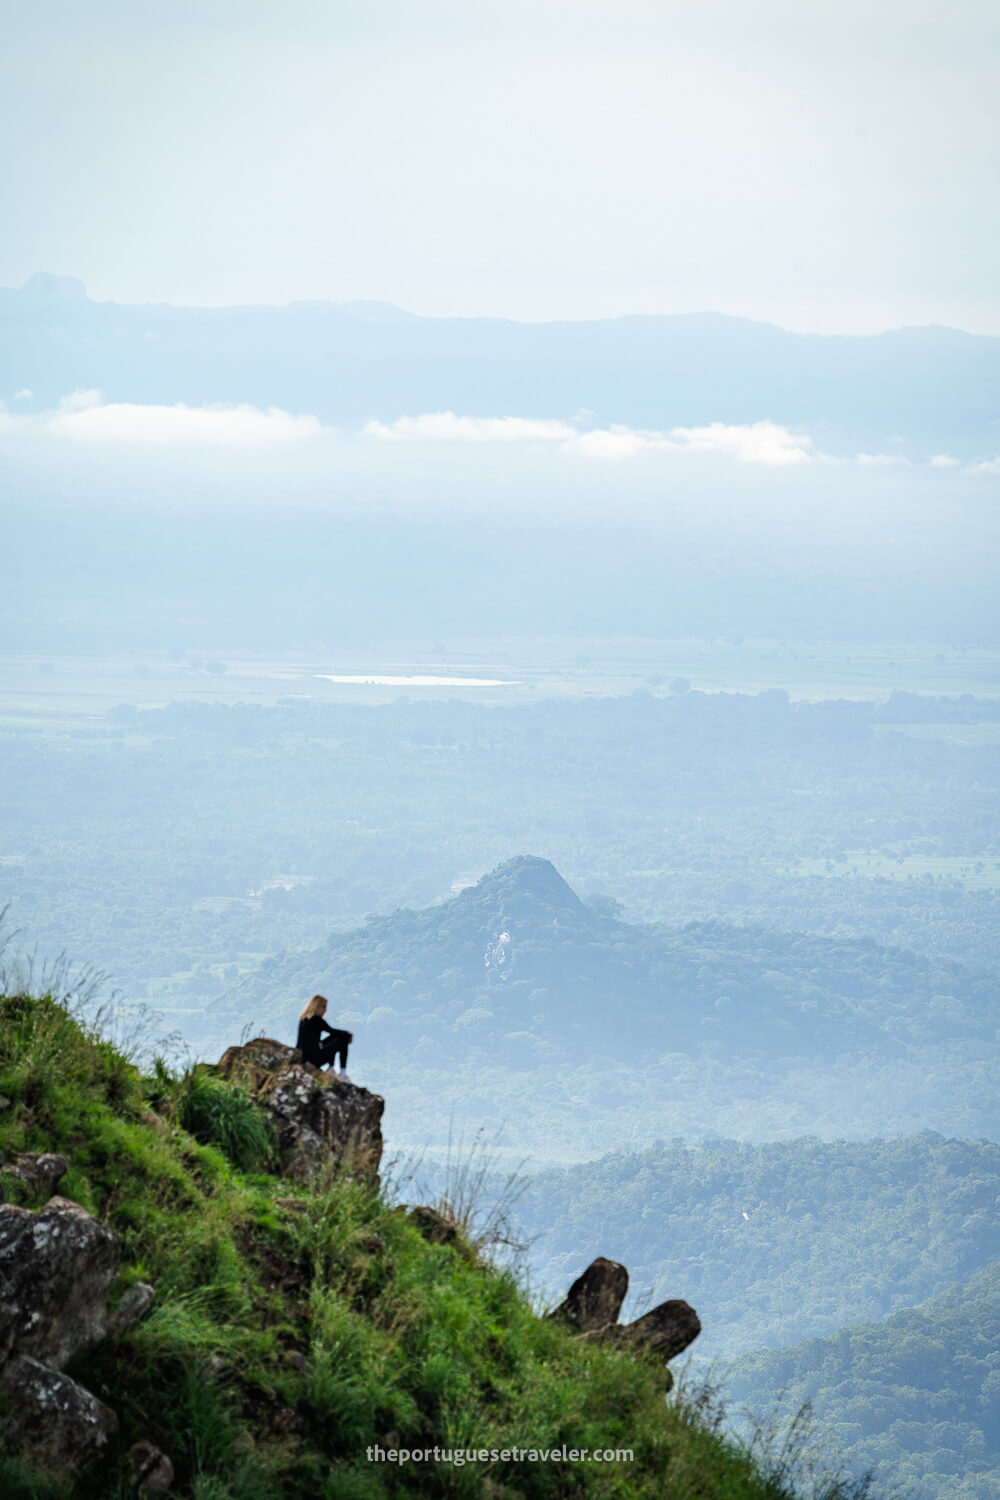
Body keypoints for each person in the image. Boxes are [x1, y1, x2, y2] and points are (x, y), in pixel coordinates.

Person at [296, 994, 353, 1080]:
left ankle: (331, 1067)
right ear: (317, 1006)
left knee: (335, 1037)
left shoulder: (303, 1019)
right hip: (314, 1060)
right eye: (324, 1007)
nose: (325, 1010)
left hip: (305, 1057)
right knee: (342, 1039)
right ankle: (342, 1073)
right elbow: (333, 1031)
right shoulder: (317, 1020)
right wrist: (348, 1035)